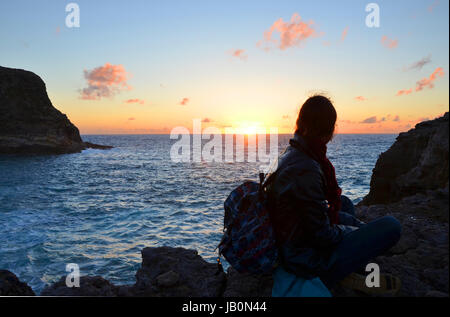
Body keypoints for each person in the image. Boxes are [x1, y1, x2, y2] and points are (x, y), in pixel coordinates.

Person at [267, 95, 402, 295]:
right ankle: (340, 274)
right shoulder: (306, 169)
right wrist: (351, 230)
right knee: (391, 226)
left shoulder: (293, 151)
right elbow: (322, 236)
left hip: (294, 242)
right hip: (306, 261)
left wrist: (348, 225)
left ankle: (353, 264)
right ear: (327, 132)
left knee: (344, 203)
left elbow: (314, 213)